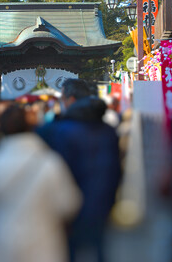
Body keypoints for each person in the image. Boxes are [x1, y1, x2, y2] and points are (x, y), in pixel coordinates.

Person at [0, 104, 81, 262]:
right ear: (30, 126)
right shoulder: (50, 163)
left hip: (2, 242)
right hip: (43, 243)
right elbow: (68, 204)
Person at [38, 79, 121, 262]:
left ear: (72, 99)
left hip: (71, 207)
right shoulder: (108, 130)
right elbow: (116, 170)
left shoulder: (59, 130)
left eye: (63, 98)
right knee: (99, 250)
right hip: (102, 204)